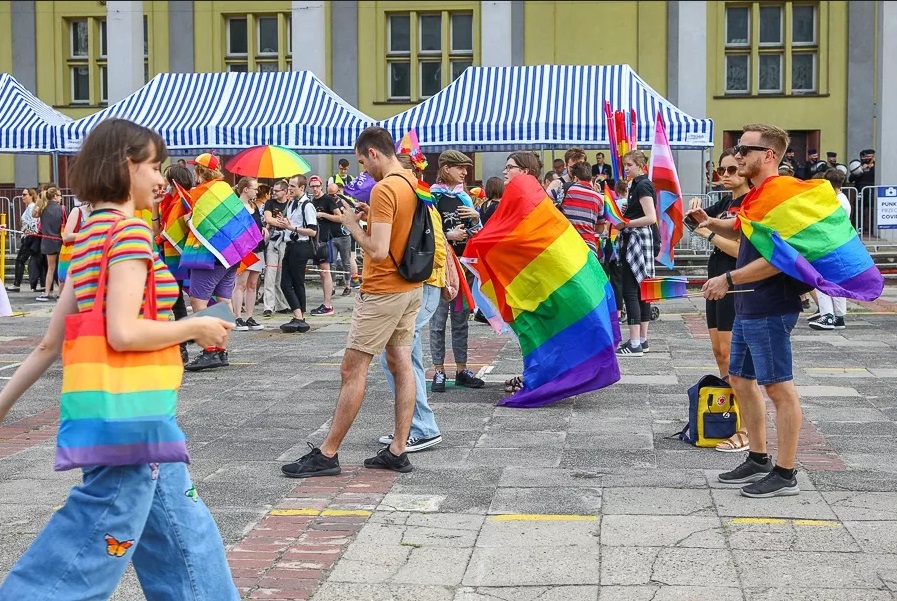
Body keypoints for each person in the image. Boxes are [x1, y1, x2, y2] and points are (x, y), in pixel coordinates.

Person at [0, 118, 238, 599]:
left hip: (121, 414)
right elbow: (124, 331)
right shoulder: (130, 234)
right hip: (136, 416)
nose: (161, 179)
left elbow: (50, 342)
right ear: (128, 166)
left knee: (181, 528)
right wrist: (195, 326)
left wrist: (2, 404)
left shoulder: (88, 235)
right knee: (94, 535)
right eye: (155, 166)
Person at [280, 126, 423, 477]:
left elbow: (376, 248)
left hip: (383, 289)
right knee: (401, 363)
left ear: (373, 153)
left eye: (362, 161)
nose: (362, 170)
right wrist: (368, 215)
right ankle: (398, 450)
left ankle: (328, 454)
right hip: (408, 286)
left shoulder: (386, 188)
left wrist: (350, 223)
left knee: (352, 369)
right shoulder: (408, 180)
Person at [692, 123, 805, 498]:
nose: (738, 156)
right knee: (740, 379)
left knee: (778, 387)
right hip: (749, 303)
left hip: (770, 303)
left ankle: (785, 473)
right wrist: (710, 222)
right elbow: (744, 230)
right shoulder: (759, 194)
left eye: (745, 150)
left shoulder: (781, 195)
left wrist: (729, 278)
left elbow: (779, 258)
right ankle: (758, 458)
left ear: (769, 155)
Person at [376, 152, 449, 452]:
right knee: (405, 356)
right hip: (424, 281)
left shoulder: (417, 197)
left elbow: (433, 244)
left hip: (423, 282)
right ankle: (411, 426)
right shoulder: (417, 197)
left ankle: (422, 426)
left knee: (397, 356)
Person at [688, 149, 750, 452]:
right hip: (716, 282)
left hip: (735, 283)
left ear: (745, 170)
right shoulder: (725, 202)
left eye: (731, 170)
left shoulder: (748, 204)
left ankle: (747, 427)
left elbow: (743, 251)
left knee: (734, 357)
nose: (724, 176)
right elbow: (693, 223)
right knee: (720, 353)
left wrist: (709, 234)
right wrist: (693, 212)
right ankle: (731, 415)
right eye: (721, 171)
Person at [429, 150, 485, 393]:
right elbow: (425, 232)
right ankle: (439, 371)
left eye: (466, 168)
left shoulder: (464, 197)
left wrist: (476, 218)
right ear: (446, 168)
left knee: (461, 320)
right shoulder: (431, 197)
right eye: (460, 168)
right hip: (441, 268)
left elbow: (476, 234)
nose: (465, 172)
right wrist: (446, 236)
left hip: (463, 267)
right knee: (438, 321)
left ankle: (462, 369)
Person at [183, 153, 237, 372]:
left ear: (200, 172)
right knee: (225, 302)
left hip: (208, 254)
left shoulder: (199, 193)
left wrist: (188, 220)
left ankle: (209, 351)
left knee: (199, 301)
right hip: (231, 254)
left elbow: (195, 222)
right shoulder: (226, 190)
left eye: (195, 169)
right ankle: (222, 350)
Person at [500, 150, 544, 394]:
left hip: (531, 275)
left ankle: (535, 379)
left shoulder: (527, 195)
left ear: (525, 172)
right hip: (524, 273)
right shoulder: (525, 194)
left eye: (510, 167)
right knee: (528, 330)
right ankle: (532, 375)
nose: (505, 171)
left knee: (530, 329)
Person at [615, 150, 657, 357]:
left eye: (629, 164)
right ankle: (641, 340)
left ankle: (634, 342)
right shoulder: (638, 185)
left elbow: (650, 217)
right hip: (638, 239)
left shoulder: (642, 185)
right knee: (642, 291)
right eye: (625, 165)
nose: (626, 168)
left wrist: (626, 223)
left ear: (640, 165)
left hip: (637, 239)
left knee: (632, 291)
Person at [152, 164, 195, 363]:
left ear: (173, 181)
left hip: (182, 255)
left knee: (182, 301)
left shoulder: (186, 201)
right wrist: (155, 205)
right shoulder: (169, 201)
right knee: (175, 300)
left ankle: (185, 345)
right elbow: (157, 230)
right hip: (168, 254)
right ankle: (182, 344)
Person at [809, 169, 851, 331]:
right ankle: (839, 316)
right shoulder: (842, 199)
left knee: (823, 281)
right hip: (838, 245)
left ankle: (827, 315)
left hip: (829, 245)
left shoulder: (835, 202)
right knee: (836, 282)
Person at [276, 174, 316, 333]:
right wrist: (285, 224)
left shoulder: (307, 205)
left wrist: (292, 228)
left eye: (293, 186)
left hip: (301, 246)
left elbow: (312, 231)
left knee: (290, 282)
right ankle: (300, 316)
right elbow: (293, 225)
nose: (289, 189)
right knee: (291, 282)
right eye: (289, 186)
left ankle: (299, 317)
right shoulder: (292, 203)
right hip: (291, 244)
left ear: (302, 187)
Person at [232, 177, 265, 331]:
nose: (256, 191)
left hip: (257, 248)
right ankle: (237, 316)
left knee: (253, 284)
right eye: (254, 188)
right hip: (244, 250)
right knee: (241, 284)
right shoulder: (236, 206)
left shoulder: (254, 206)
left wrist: (263, 229)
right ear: (246, 189)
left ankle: (249, 316)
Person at [308, 175, 339, 315]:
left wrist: (323, 215)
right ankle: (326, 303)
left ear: (321, 186)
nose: (315, 188)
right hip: (316, 240)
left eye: (317, 186)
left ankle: (328, 305)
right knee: (322, 272)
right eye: (312, 186)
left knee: (325, 272)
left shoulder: (328, 199)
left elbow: (340, 217)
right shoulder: (311, 201)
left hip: (326, 239)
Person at [561, 161, 605, 255]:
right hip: (588, 247)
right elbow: (600, 229)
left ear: (575, 178)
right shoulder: (599, 198)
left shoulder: (566, 189)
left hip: (566, 244)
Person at [262, 179, 292, 317]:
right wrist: (282, 222)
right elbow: (268, 219)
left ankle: (281, 304)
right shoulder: (270, 203)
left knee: (281, 275)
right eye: (273, 190)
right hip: (273, 242)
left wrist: (281, 223)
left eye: (277, 190)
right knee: (270, 273)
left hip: (286, 241)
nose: (273, 193)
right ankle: (268, 306)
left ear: (285, 191)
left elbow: (292, 222)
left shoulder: (291, 204)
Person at [327, 182, 360, 296]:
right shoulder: (327, 202)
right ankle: (332, 285)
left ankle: (348, 285)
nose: (331, 197)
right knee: (332, 263)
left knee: (347, 262)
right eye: (329, 195)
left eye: (333, 195)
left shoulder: (344, 202)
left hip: (345, 236)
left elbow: (354, 212)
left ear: (338, 193)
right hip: (331, 236)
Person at [6, 188, 42, 293]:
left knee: (20, 259)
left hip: (30, 237)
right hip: (31, 237)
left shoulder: (31, 207)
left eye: (24, 194)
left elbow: (33, 222)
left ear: (31, 195)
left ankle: (17, 284)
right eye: (22, 195)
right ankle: (38, 284)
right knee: (34, 261)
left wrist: (26, 231)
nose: (22, 196)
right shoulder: (30, 207)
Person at [34, 187, 64, 302]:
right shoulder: (62, 208)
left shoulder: (43, 208)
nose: (61, 197)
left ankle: (47, 292)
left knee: (50, 268)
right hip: (60, 241)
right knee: (61, 268)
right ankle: (61, 293)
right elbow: (64, 222)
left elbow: (34, 214)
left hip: (47, 241)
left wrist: (39, 200)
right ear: (55, 196)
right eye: (60, 195)